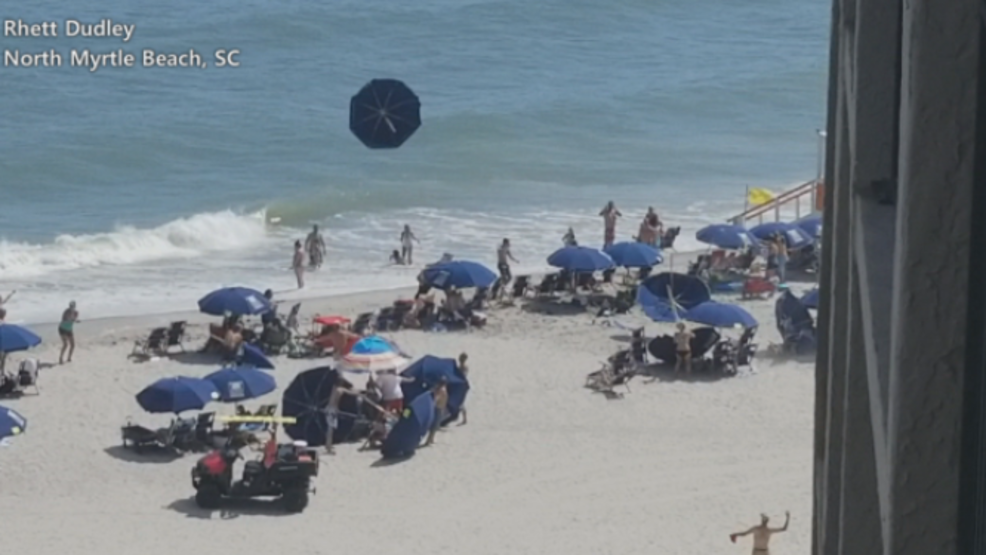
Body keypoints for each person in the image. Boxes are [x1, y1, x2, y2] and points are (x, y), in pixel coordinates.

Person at [324, 376, 357, 455]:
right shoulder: (340, 389)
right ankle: (328, 447)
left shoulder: (334, 388)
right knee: (330, 429)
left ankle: (328, 445)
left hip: (329, 408)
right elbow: (349, 392)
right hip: (332, 410)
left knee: (330, 428)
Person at [424, 377, 449, 446]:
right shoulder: (442, 390)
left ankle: (431, 439)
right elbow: (437, 398)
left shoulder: (439, 389)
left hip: (440, 408)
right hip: (438, 408)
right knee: (434, 426)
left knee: (436, 425)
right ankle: (428, 441)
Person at [457, 353, 469, 426]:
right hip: (461, 385)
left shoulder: (464, 368)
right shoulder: (461, 367)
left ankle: (464, 419)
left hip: (462, 385)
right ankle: (464, 419)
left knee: (461, 402)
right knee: (461, 402)